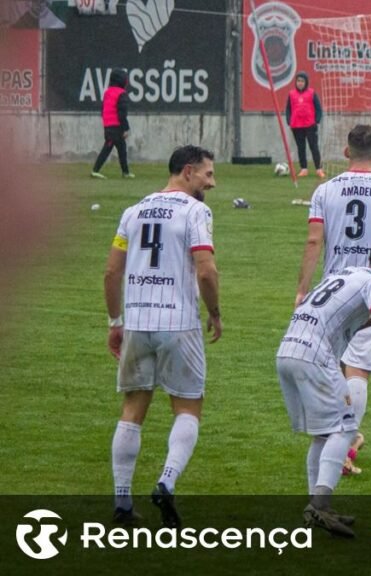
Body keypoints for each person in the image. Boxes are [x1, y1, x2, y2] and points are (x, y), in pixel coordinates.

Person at [103, 145, 220, 527]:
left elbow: (110, 272)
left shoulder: (132, 212)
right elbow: (206, 270)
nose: (212, 183)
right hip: (179, 323)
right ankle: (166, 483)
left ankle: (122, 503)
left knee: (133, 410)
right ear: (187, 171)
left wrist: (115, 321)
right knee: (188, 407)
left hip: (137, 322)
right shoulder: (195, 211)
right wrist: (215, 312)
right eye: (207, 174)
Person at [295, 124, 371, 470]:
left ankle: (335, 441)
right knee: (359, 371)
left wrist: (302, 290)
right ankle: (346, 445)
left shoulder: (325, 189)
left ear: (346, 152)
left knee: (337, 367)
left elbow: (313, 241)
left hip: (332, 291)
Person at [276, 264, 371, 538]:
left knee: (322, 434)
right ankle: (320, 504)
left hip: (287, 350)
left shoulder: (343, 273)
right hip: (314, 355)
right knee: (346, 427)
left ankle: (316, 508)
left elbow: (362, 318)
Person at [91, 68, 133, 179]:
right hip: (116, 126)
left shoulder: (107, 92)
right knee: (108, 147)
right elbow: (122, 114)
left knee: (122, 148)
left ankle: (126, 172)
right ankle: (95, 170)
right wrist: (125, 128)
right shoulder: (122, 94)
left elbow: (103, 109)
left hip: (108, 124)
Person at [285, 71, 325, 179]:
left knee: (314, 147)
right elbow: (288, 108)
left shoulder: (311, 93)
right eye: (298, 81)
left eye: (302, 81)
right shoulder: (291, 94)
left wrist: (317, 119)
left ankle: (319, 169)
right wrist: (289, 120)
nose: (300, 83)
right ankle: (304, 169)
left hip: (310, 124)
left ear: (306, 82)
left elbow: (318, 108)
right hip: (296, 125)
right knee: (301, 147)